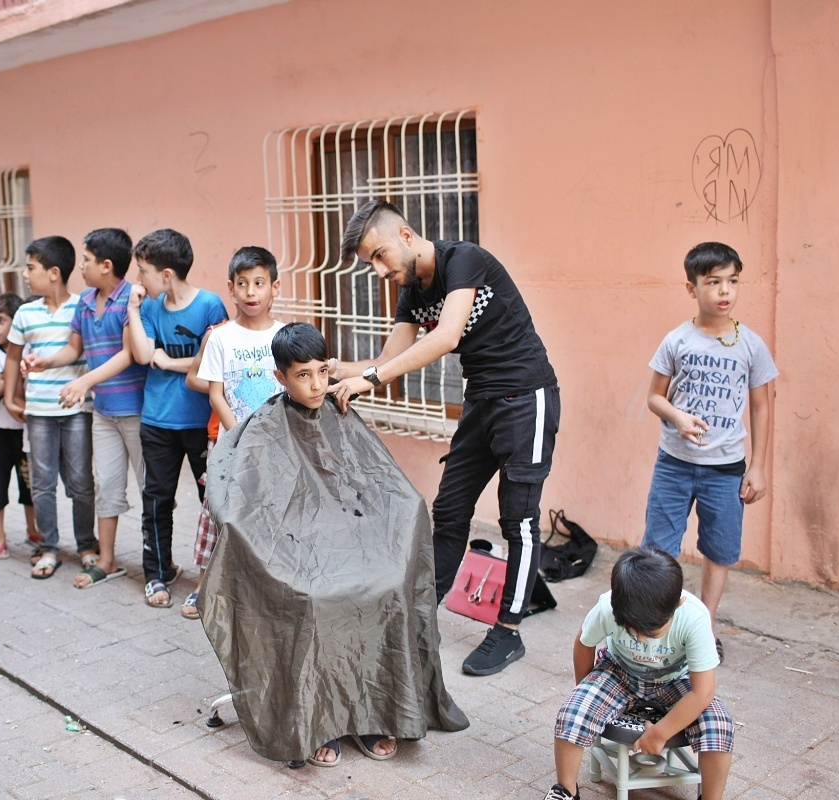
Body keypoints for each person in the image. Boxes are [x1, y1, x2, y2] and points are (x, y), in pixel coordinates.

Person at [201, 322, 469, 768]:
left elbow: (386, 488)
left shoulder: (341, 412)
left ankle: (375, 711)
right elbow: (237, 502)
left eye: (321, 373)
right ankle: (318, 720)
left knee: (387, 586)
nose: (315, 385)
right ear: (280, 376)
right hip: (292, 554)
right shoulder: (263, 428)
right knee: (314, 597)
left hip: (352, 544)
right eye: (302, 375)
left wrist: (402, 521)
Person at [330, 201, 559, 676]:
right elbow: (389, 358)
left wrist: (368, 380)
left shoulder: (465, 259)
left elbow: (446, 336)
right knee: (450, 509)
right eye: (369, 262)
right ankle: (420, 616)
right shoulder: (411, 289)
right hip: (482, 402)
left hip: (526, 395)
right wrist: (340, 371)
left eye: (378, 255)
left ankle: (508, 632)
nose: (377, 270)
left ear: (407, 236)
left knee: (518, 519)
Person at [640, 242, 777, 661]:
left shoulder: (750, 345)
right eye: (713, 282)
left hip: (726, 469)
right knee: (659, 547)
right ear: (691, 288)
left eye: (732, 281)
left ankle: (705, 625)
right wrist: (677, 417)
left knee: (719, 550)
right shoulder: (677, 340)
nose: (724, 291)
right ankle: (657, 623)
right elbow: (654, 398)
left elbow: (761, 405)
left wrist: (758, 467)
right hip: (675, 466)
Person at [544, 547, 733, 800]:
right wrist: (587, 691)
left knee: (719, 725)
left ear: (678, 605)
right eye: (632, 630)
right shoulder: (608, 606)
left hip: (677, 679)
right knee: (573, 713)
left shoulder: (695, 618)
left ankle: (711, 797)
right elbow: (584, 643)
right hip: (619, 673)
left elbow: (704, 691)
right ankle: (565, 791)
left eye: (651, 632)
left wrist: (661, 732)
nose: (641, 637)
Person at [26, 228, 146, 588]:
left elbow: (127, 354)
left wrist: (84, 382)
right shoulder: (84, 302)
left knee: (151, 490)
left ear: (107, 266)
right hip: (104, 412)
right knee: (107, 486)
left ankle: (160, 561)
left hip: (137, 410)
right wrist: (44, 362)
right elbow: (74, 350)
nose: (81, 267)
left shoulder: (130, 299)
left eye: (87, 261)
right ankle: (107, 561)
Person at [125, 229, 228, 608]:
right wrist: (133, 310)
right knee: (157, 498)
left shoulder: (210, 305)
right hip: (158, 420)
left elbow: (216, 358)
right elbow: (141, 354)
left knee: (211, 502)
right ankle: (156, 573)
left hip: (201, 421)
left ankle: (214, 577)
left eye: (142, 272)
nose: (139, 280)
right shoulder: (149, 308)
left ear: (166, 275)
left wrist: (170, 361)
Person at [180, 246, 284, 619]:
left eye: (259, 283)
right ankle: (202, 586)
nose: (251, 292)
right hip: (231, 446)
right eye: (243, 284)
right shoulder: (222, 338)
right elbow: (215, 393)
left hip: (278, 448)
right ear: (231, 288)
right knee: (217, 515)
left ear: (275, 287)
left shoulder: (285, 335)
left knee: (272, 515)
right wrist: (240, 435)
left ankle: (266, 590)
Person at [3, 236, 97, 580]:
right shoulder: (26, 312)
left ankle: (87, 545)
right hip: (39, 412)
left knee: (81, 482)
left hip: (77, 411)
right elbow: (13, 357)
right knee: (41, 483)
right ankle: (49, 548)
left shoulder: (83, 307)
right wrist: (11, 398)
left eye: (31, 268)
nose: (26, 275)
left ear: (54, 272)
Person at [0, 292, 37, 560]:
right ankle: (0, 535)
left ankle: (33, 529)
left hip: (25, 431)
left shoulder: (29, 350)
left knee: (30, 485)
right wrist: (18, 374)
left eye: (1, 320)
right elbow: (2, 388)